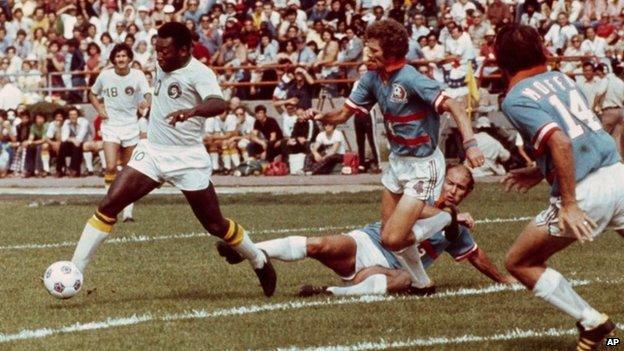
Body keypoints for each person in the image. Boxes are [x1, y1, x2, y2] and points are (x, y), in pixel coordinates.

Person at [64, 22, 276, 298]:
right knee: (108, 205)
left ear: (186, 49)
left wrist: (192, 111)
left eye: (165, 51)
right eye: (156, 50)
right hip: (152, 152)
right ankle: (73, 272)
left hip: (187, 157)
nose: (159, 56)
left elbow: (218, 103)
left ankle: (259, 260)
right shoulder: (162, 63)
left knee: (214, 225)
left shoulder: (199, 73)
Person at [307, 19, 484, 290]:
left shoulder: (411, 78)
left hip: (423, 164)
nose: (368, 55)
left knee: (392, 239)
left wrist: (470, 143)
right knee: (388, 233)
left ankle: (447, 218)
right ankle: (422, 284)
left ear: (390, 51)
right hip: (398, 163)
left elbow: (455, 106)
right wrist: (322, 115)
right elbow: (343, 114)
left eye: (373, 50)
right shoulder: (371, 79)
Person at [495, 24, 624, 350]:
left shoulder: (515, 98)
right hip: (617, 174)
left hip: (584, 191)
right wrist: (538, 171)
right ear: (542, 50)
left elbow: (561, 140)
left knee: (519, 262)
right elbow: (578, 135)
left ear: (502, 61)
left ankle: (594, 324)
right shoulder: (564, 79)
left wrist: (568, 203)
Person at [217, 164, 513, 296]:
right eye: (450, 183)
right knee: (319, 244)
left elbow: (475, 255)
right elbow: (410, 210)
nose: (453, 191)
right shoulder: (419, 197)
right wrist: (451, 215)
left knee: (401, 281)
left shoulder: (456, 229)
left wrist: (503, 279)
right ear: (442, 180)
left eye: (461, 189)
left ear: (468, 193)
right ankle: (247, 250)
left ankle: (328, 292)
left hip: (387, 268)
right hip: (367, 244)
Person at [89, 43, 151, 222]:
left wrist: (146, 102)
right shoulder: (105, 75)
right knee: (110, 166)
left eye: (124, 56)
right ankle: (109, 206)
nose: (121, 59)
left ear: (129, 58)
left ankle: (128, 212)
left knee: (128, 170)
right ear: (113, 59)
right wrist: (99, 108)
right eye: (117, 56)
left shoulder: (138, 75)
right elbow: (92, 94)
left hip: (131, 126)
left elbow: (148, 93)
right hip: (110, 126)